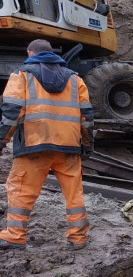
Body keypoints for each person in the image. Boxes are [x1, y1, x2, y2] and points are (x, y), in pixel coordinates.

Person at [0, 39, 93, 250]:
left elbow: (12, 113)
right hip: (68, 147)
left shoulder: (21, 75)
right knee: (74, 193)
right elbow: (87, 117)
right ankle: (78, 238)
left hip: (34, 145)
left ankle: (15, 236)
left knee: (21, 189)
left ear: (30, 53)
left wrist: (1, 140)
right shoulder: (75, 79)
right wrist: (87, 145)